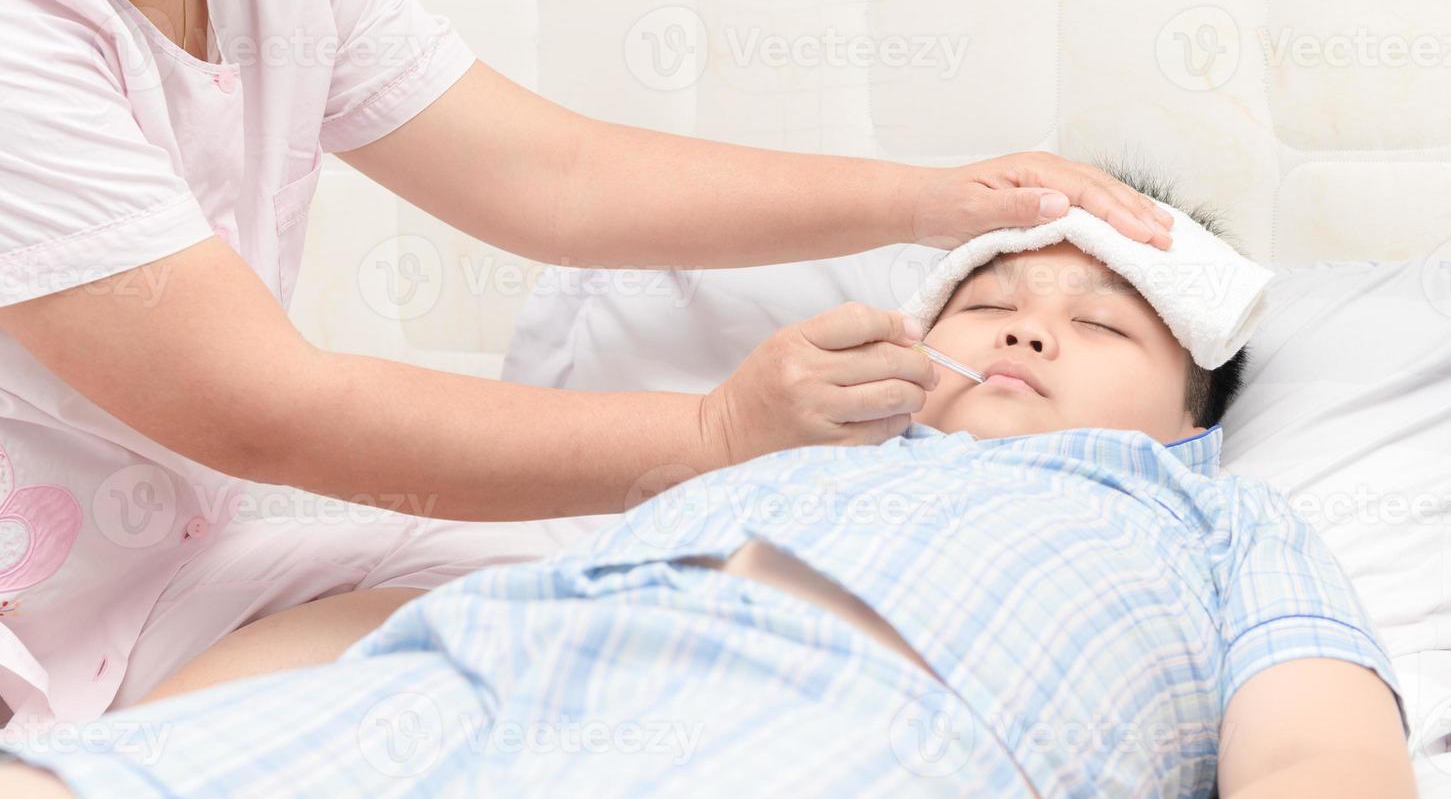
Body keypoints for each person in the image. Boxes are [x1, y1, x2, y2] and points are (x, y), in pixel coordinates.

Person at [0, 0, 1180, 729]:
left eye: (1102, 323)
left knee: (575, 604)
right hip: (36, 615)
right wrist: (718, 431)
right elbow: (261, 405)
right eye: (995, 300)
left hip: (160, 574)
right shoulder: (18, 18)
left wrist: (925, 200)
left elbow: (555, 178)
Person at [0, 171, 1413, 797]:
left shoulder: (1207, 518)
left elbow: (1312, 753)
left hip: (861, 722)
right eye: (990, 303)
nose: (1032, 327)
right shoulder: (769, 448)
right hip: (497, 677)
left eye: (1104, 324)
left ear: (1189, 418)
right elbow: (448, 604)